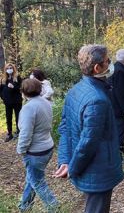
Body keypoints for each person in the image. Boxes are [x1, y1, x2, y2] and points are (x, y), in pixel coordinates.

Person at [54, 44, 124, 213]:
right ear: (97, 67)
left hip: (91, 168)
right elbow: (88, 142)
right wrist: (72, 167)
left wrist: (65, 161)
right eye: (108, 61)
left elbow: (65, 128)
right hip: (98, 171)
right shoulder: (97, 100)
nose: (111, 63)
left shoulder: (75, 90)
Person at [16, 78, 59, 212]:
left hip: (36, 152)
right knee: (32, 178)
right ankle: (25, 206)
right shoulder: (45, 102)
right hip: (47, 147)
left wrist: (21, 150)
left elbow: (26, 133)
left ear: (23, 92)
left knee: (37, 182)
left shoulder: (29, 108)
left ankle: (54, 207)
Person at [1, 63, 23, 142]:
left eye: (11, 68)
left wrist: (14, 87)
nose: (9, 69)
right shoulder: (3, 79)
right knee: (8, 117)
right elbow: (1, 90)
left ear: (13, 69)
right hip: (8, 102)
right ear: (5, 70)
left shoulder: (17, 77)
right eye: (8, 68)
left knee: (18, 117)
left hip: (17, 101)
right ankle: (9, 133)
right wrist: (3, 98)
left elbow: (21, 88)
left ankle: (19, 131)